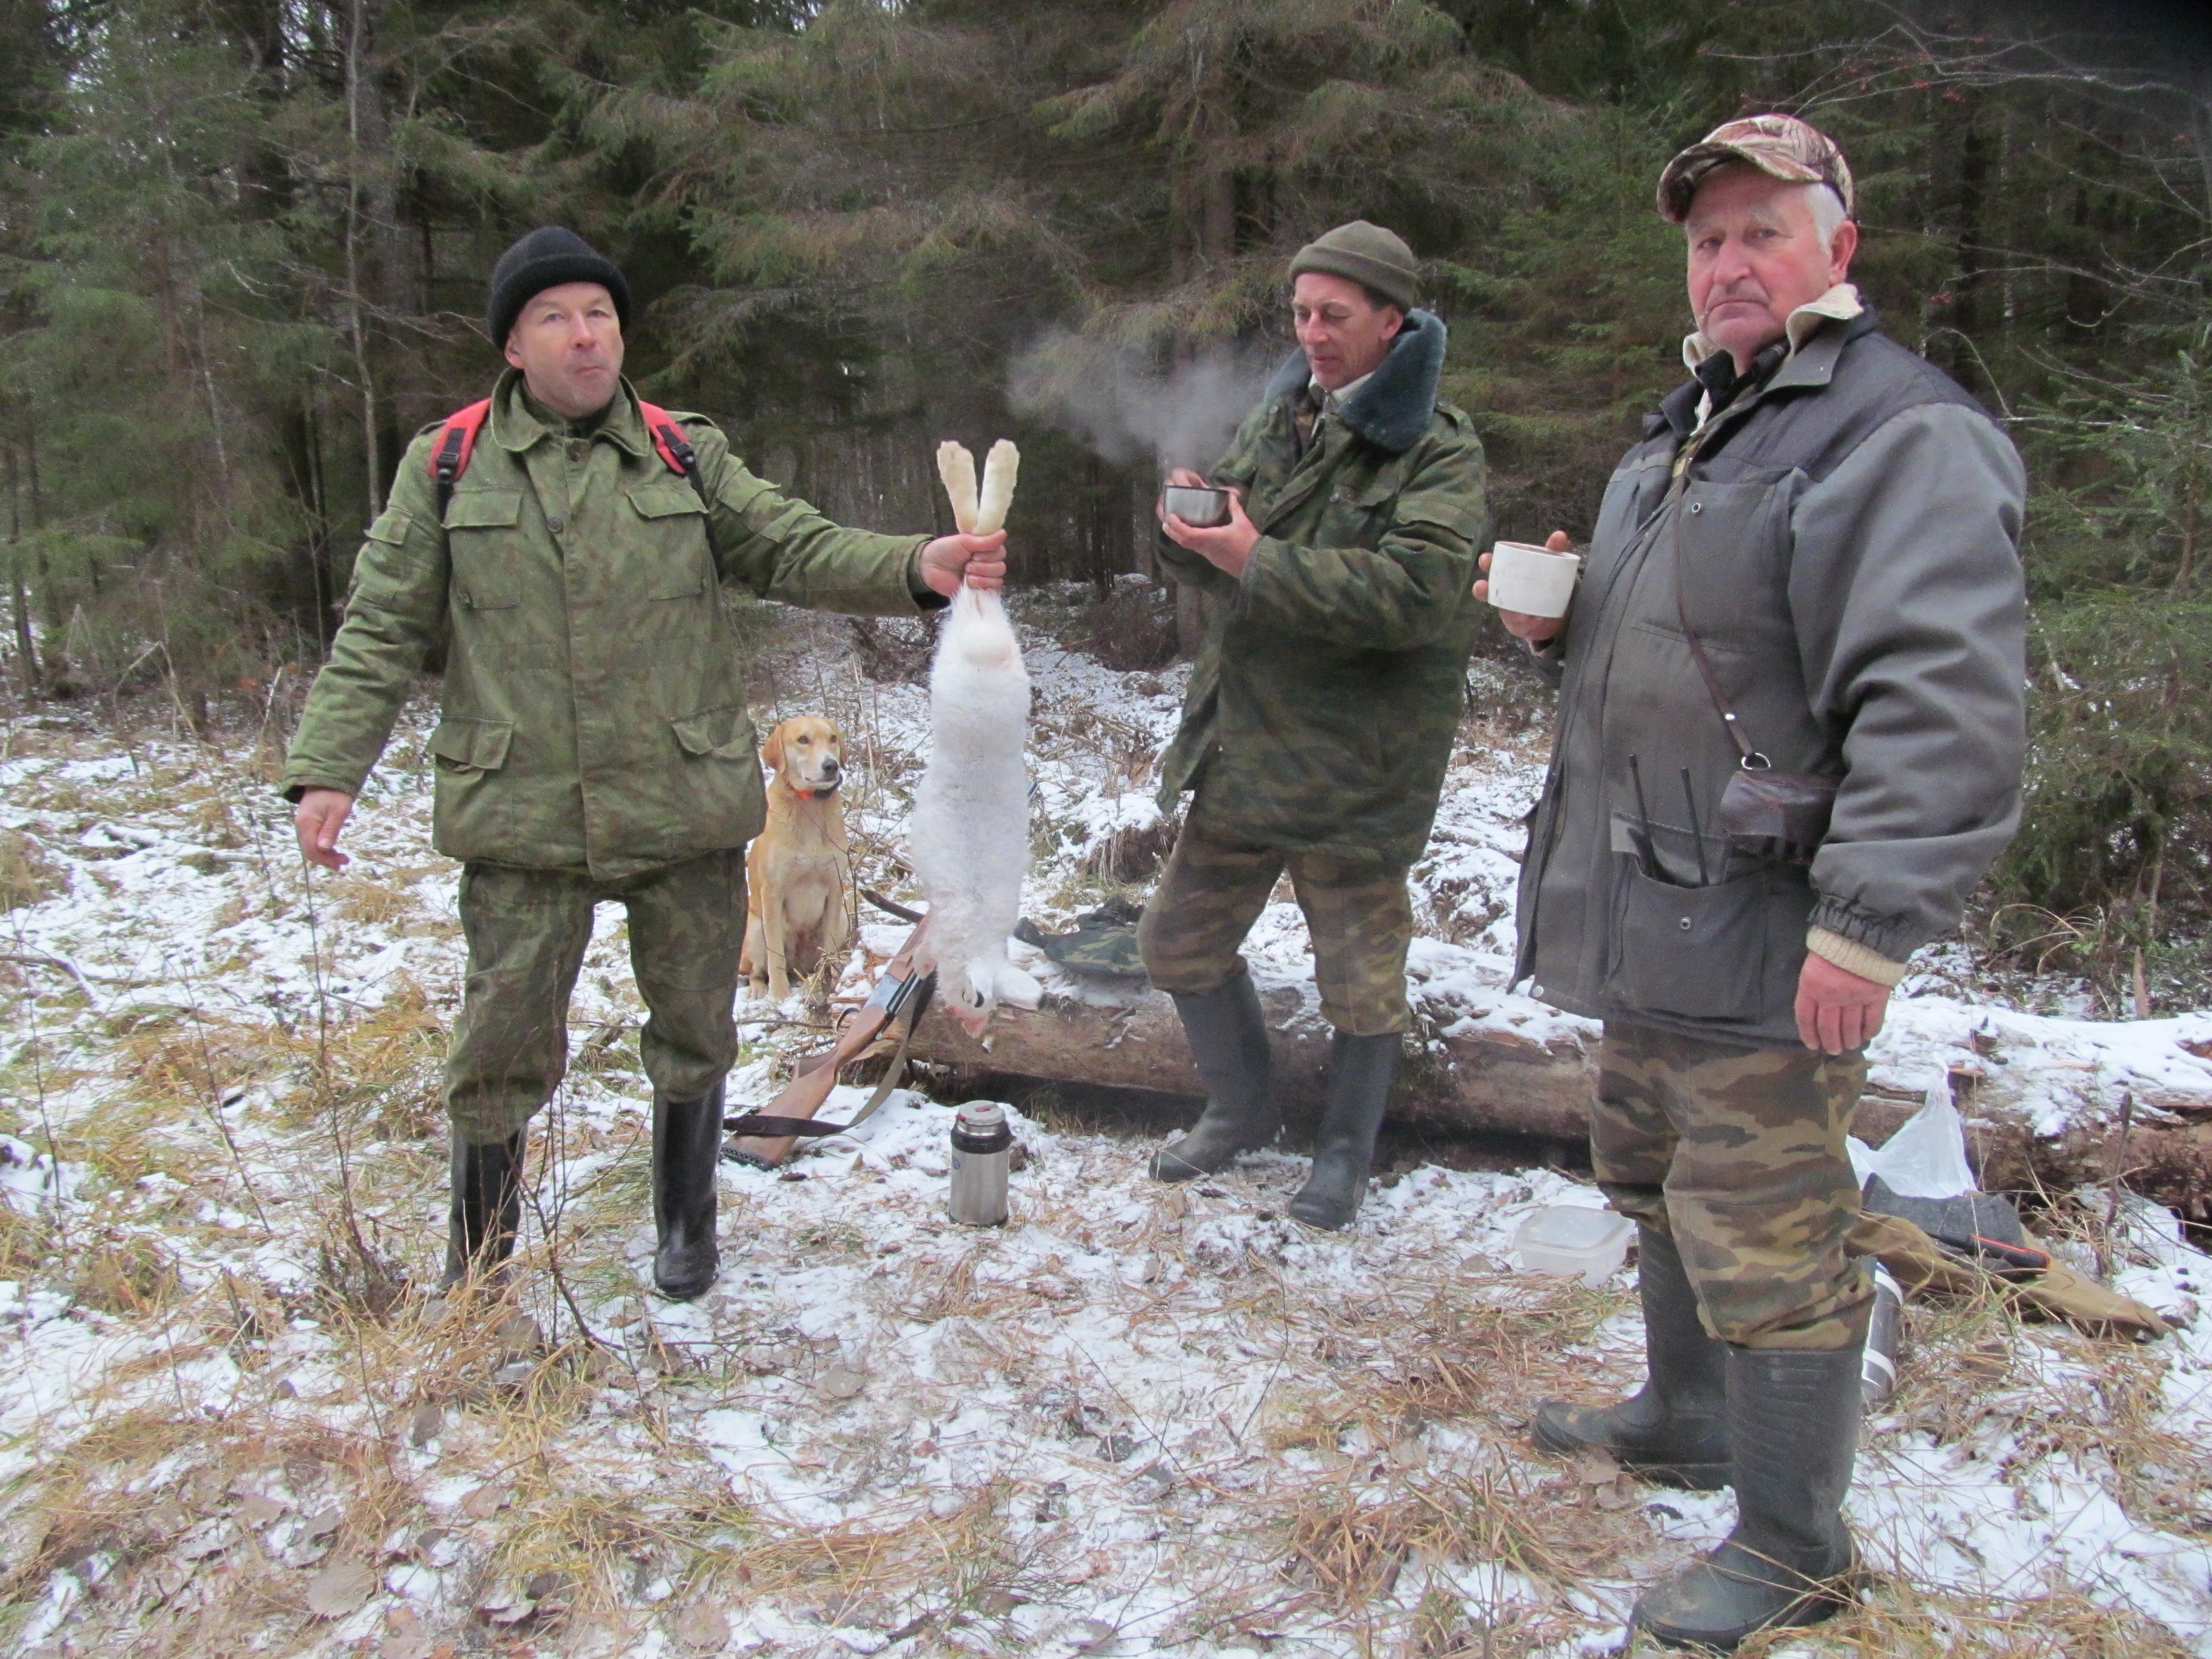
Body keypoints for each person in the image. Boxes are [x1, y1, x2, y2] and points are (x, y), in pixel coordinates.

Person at [1492, 118, 2027, 1650]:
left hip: (1771, 930)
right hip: (1650, 900)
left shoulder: (1895, 432)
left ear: (1837, 249)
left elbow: (1943, 699)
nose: (1729, 261)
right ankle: (1686, 1418)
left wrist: (1868, 927)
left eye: (1763, 231)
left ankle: (1797, 1550)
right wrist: (1561, 626)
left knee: (1775, 1239)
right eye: (1708, 238)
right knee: (1655, 1176)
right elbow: (1696, 641)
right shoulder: (1696, 424)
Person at [282, 227, 1005, 1303]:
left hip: (679, 803)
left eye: (600, 315)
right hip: (522, 812)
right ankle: (478, 1268)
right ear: (514, 346)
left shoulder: (681, 451)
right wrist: (330, 767)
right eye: (555, 318)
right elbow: (382, 623)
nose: (585, 336)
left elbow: (790, 543)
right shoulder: (448, 462)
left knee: (696, 1029)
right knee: (498, 1047)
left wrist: (916, 564)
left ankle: (685, 1229)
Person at [1140, 220, 1489, 1230]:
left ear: (1393, 321)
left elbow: (1417, 597)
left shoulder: (1437, 447)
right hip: (1246, 744)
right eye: (1300, 313)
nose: (1312, 333)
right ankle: (1242, 1109)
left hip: (1355, 762)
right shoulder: (1284, 415)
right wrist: (1189, 528)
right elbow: (1227, 549)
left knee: (1361, 982)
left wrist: (1252, 557)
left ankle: (1344, 1153)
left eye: (1334, 315)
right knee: (1178, 943)